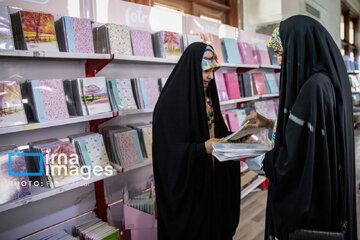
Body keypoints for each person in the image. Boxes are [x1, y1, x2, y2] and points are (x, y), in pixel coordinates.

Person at [242, 15, 357, 240]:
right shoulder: (326, 82)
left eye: (283, 54)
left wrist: (252, 155)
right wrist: (271, 124)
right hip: (325, 200)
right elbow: (313, 139)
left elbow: (292, 164)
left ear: (299, 48)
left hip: (307, 213)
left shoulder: (312, 90)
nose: (279, 62)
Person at [152, 42, 240, 240]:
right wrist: (202, 149)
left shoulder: (208, 98)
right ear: (192, 68)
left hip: (212, 184)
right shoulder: (169, 105)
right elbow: (168, 153)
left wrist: (236, 139)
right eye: (205, 70)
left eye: (213, 71)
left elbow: (218, 131)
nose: (210, 76)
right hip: (190, 193)